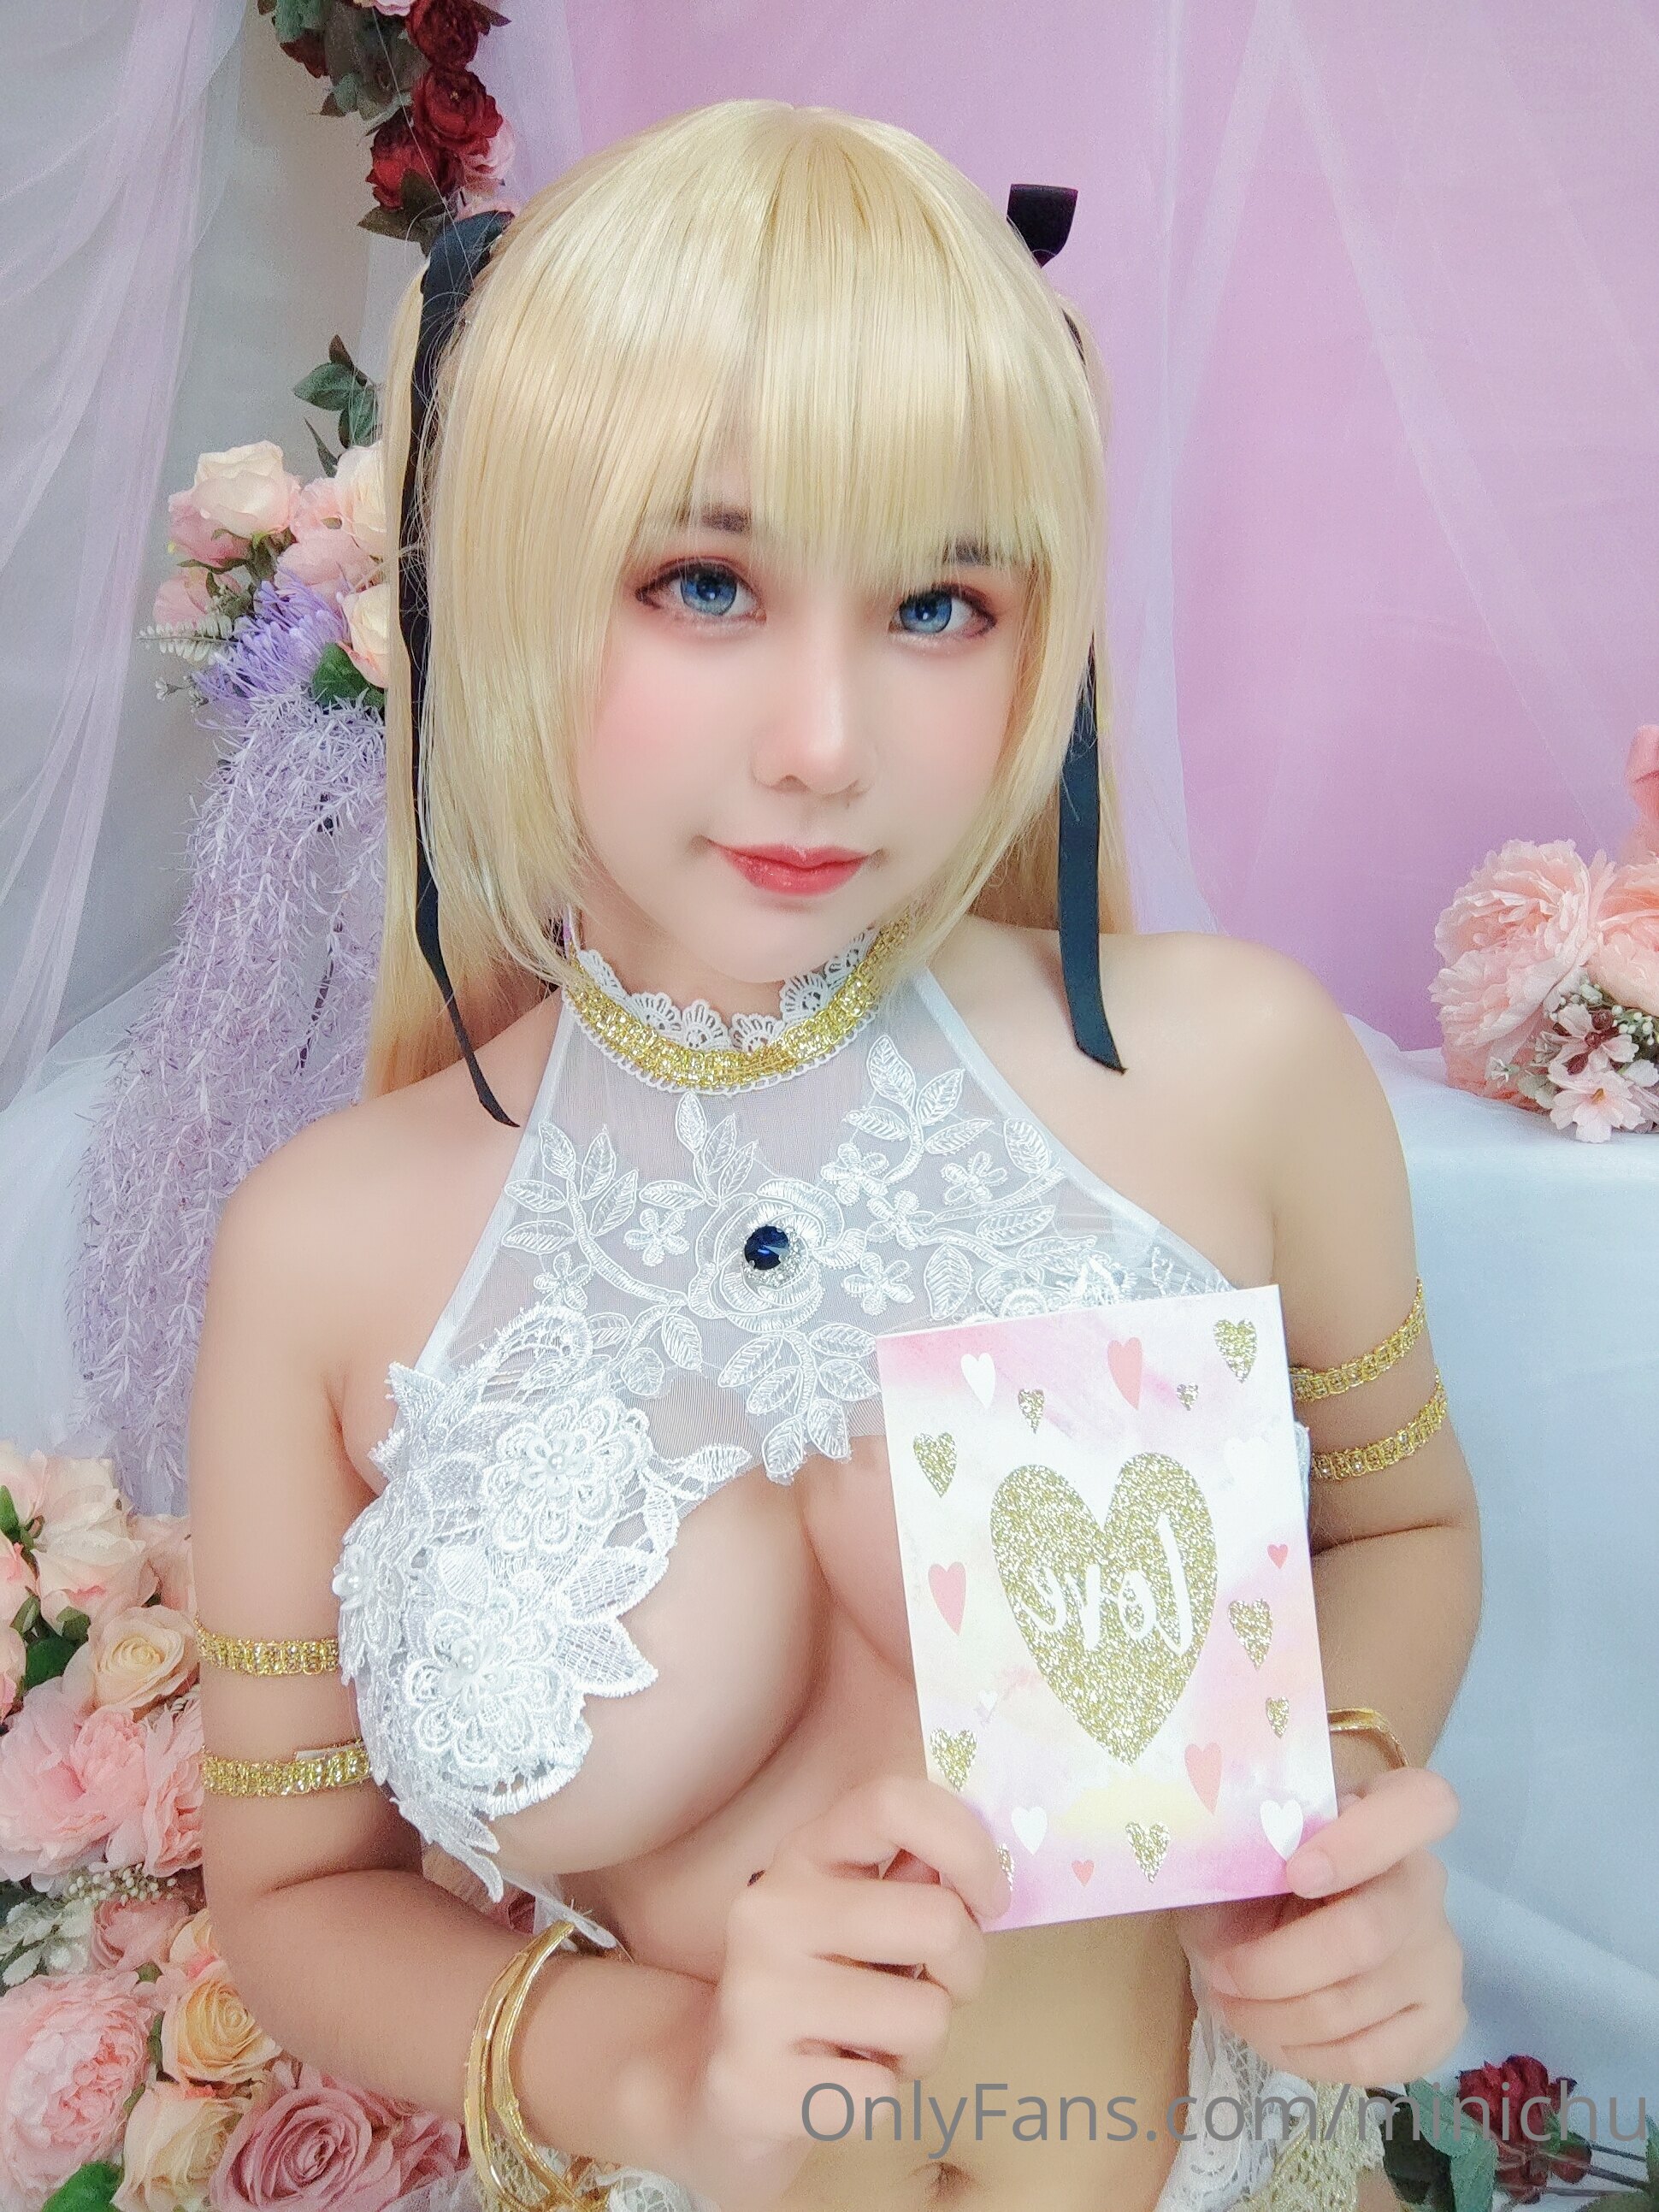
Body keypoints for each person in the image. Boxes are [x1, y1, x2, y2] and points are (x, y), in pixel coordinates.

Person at [187, 99, 1480, 2212]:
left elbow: (1400, 1521)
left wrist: (1326, 1822)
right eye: (703, 582)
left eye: (940, 604)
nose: (825, 742)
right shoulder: (328, 1246)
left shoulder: (1229, 1068)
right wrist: (663, 2074)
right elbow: (298, 1883)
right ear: (502, 579)